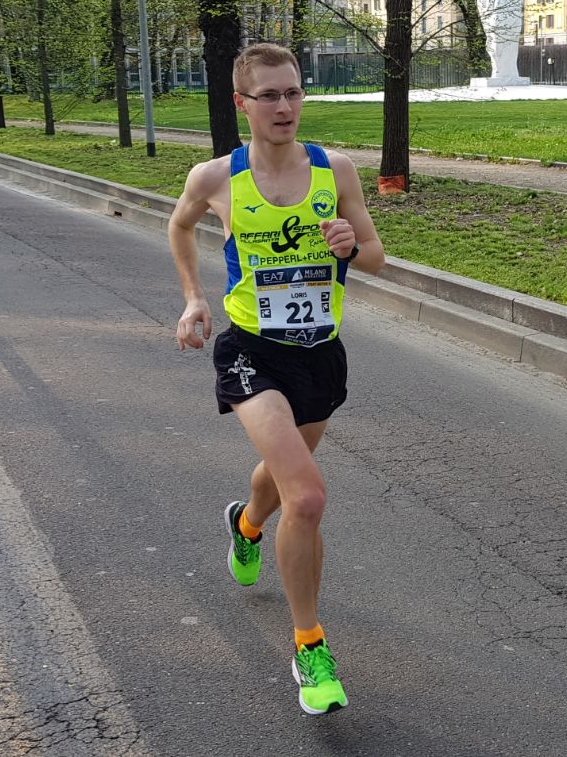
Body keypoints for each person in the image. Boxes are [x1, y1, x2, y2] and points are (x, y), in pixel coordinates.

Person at [168, 42, 385, 715]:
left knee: (279, 482)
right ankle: (310, 648)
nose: (285, 106)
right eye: (270, 96)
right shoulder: (215, 179)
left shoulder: (335, 170)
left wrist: (353, 244)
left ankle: (247, 526)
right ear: (243, 105)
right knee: (310, 496)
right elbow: (178, 227)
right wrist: (193, 297)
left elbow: (375, 256)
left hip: (319, 353)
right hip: (249, 352)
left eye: (293, 92)